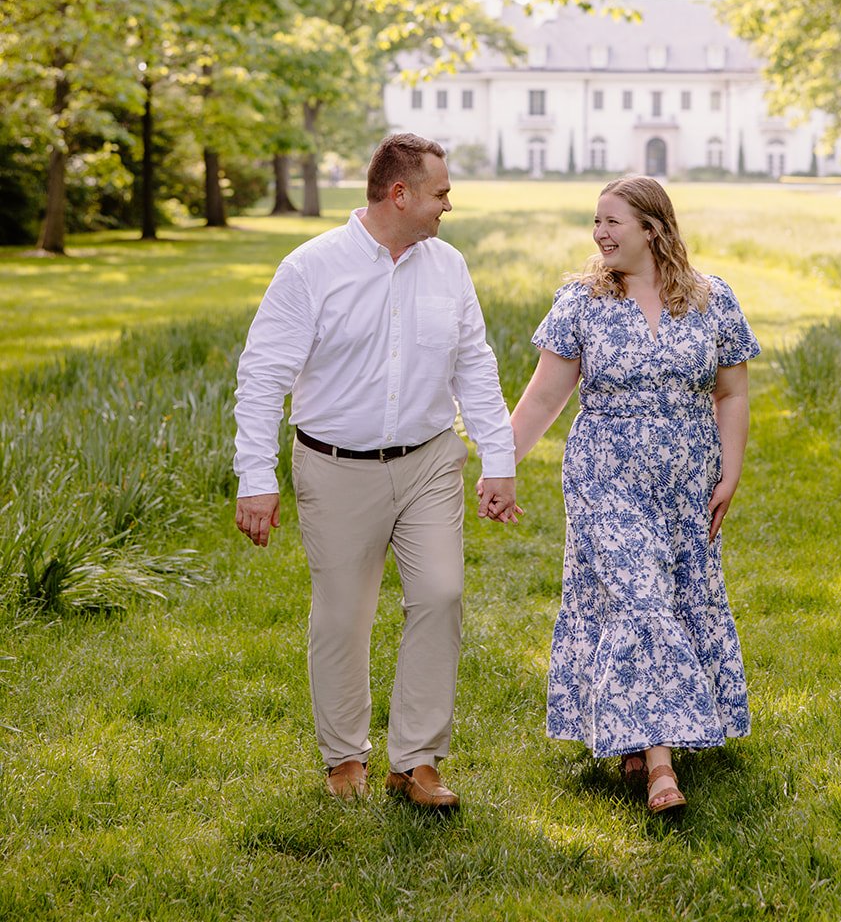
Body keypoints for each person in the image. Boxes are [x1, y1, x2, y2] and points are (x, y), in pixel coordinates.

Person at [234, 132, 520, 812]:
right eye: (441, 193)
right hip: (335, 468)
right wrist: (255, 474)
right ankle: (344, 757)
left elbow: (473, 365)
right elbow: (262, 375)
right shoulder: (311, 268)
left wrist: (498, 458)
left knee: (442, 595)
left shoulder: (447, 267)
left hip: (427, 461)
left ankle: (416, 761)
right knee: (342, 615)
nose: (448, 205)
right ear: (401, 195)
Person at [504, 175, 758, 814]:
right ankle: (661, 769)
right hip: (605, 475)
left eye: (613, 221)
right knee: (640, 599)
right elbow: (543, 398)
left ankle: (632, 739)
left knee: (667, 596)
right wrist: (495, 465)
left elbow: (731, 392)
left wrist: (729, 471)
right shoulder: (581, 301)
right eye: (596, 222)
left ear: (653, 228)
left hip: (686, 478)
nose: (600, 233)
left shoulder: (712, 299)